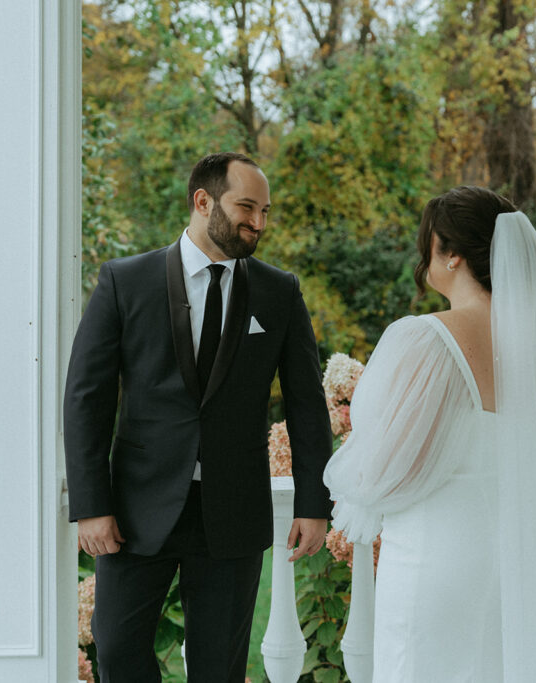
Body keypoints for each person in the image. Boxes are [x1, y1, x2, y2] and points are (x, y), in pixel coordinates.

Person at [64, 152, 334, 682]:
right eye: (246, 207)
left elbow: (306, 403)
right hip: (136, 510)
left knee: (219, 669)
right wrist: (91, 504)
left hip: (233, 509)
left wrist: (313, 503)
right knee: (117, 651)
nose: (258, 222)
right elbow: (86, 398)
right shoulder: (124, 281)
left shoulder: (280, 292)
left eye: (265, 211)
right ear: (203, 201)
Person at [324, 186, 536, 682]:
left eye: (430, 245)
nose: (425, 258)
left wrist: (355, 480)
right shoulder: (526, 349)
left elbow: (389, 468)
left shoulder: (425, 336)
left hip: (432, 559)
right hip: (505, 562)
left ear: (453, 252)